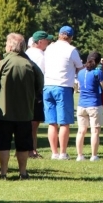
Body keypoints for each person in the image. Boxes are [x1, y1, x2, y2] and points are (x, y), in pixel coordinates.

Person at [0, 33, 43, 180]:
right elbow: (40, 84)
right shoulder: (30, 64)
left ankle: (3, 173)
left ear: (10, 46)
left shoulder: (3, 63)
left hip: (4, 112)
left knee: (3, 143)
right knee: (23, 144)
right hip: (25, 113)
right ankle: (23, 172)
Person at [43, 26, 83, 160]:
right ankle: (63, 153)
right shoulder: (71, 50)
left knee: (52, 122)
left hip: (48, 85)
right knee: (64, 122)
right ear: (71, 37)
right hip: (63, 86)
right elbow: (80, 67)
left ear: (59, 35)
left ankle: (54, 152)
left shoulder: (49, 48)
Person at [25, 30, 52, 158]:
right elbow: (41, 76)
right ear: (40, 42)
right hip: (35, 92)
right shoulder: (40, 56)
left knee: (27, 123)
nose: (48, 42)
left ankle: (26, 149)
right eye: (47, 40)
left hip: (26, 91)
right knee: (33, 124)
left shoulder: (27, 53)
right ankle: (31, 150)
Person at [76, 51, 103, 162]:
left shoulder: (80, 72)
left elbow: (78, 87)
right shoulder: (97, 72)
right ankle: (94, 156)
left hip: (81, 104)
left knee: (81, 131)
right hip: (94, 104)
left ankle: (80, 155)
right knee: (95, 131)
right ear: (98, 61)